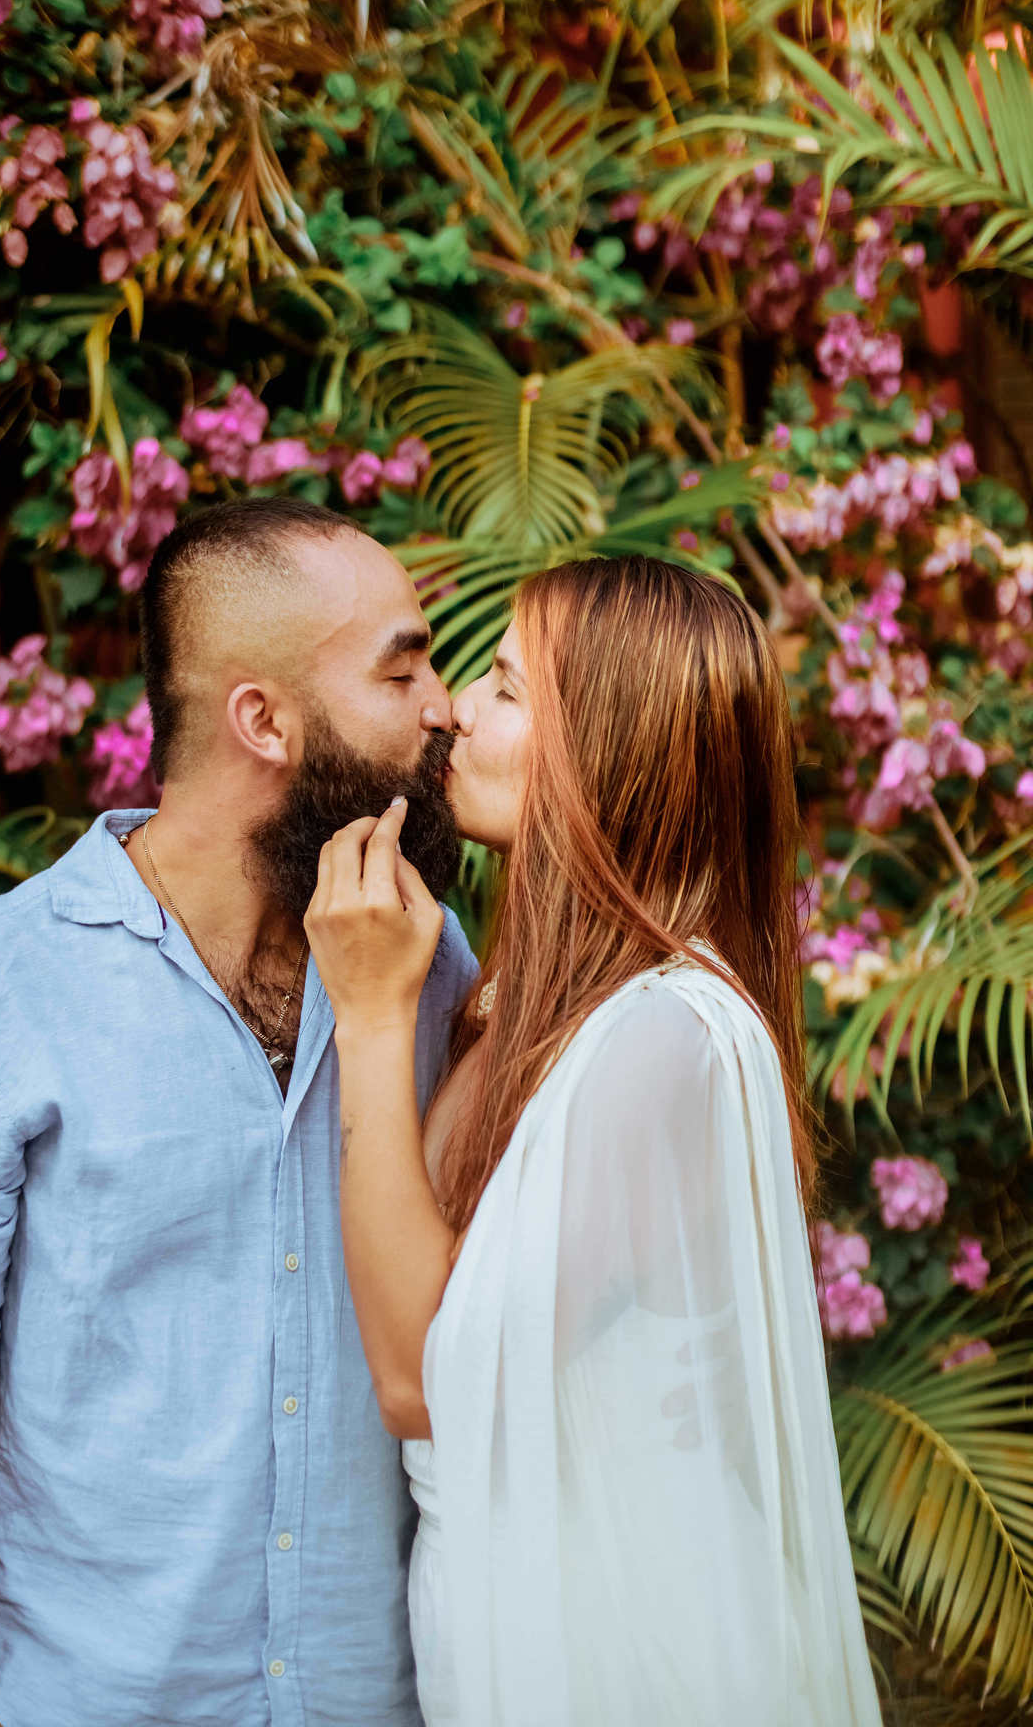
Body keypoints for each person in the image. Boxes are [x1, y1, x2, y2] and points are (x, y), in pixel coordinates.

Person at [0, 498, 476, 1727]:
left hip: (383, 1700)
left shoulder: (425, 956)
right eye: (404, 668)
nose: (444, 704)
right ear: (264, 720)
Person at [305, 553, 884, 1727]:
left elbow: (426, 1383)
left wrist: (367, 1017)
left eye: (511, 690)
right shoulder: (531, 1000)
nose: (459, 706)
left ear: (612, 752)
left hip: (621, 1648)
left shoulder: (663, 1033)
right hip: (533, 1611)